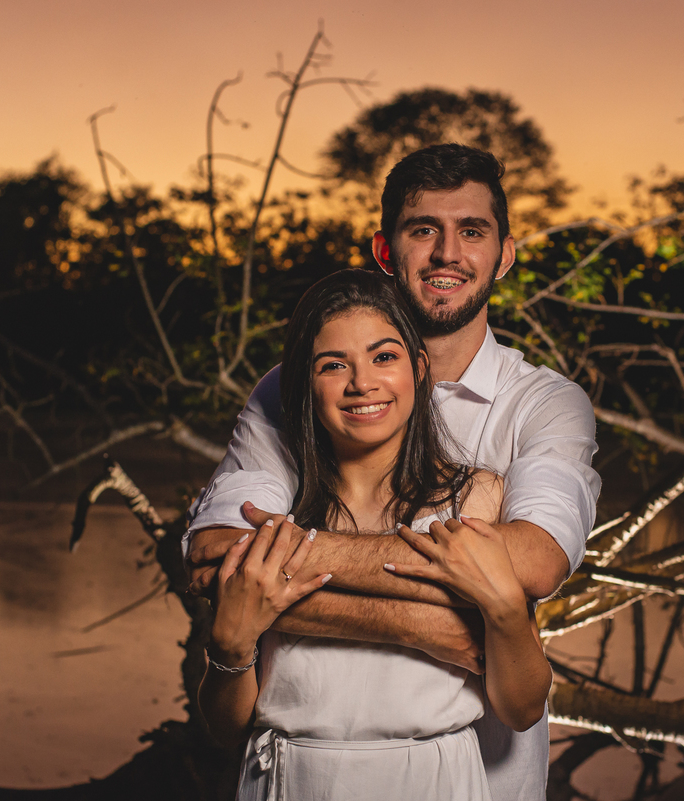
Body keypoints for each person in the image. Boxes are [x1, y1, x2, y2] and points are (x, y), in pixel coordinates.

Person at [187, 144, 601, 800]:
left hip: (473, 775)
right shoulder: (289, 390)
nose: (447, 253)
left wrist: (286, 563)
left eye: (472, 231)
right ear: (385, 250)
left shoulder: (544, 404)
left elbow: (535, 562)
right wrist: (426, 626)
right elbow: (215, 557)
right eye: (423, 231)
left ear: (505, 253)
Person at [199, 269, 552, 800]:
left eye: (384, 357)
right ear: (304, 384)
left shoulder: (476, 499)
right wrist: (229, 646)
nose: (362, 383)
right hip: (287, 779)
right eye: (333, 365)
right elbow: (225, 727)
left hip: (432, 781)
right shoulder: (278, 509)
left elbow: (522, 709)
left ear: (419, 368)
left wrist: (504, 611)